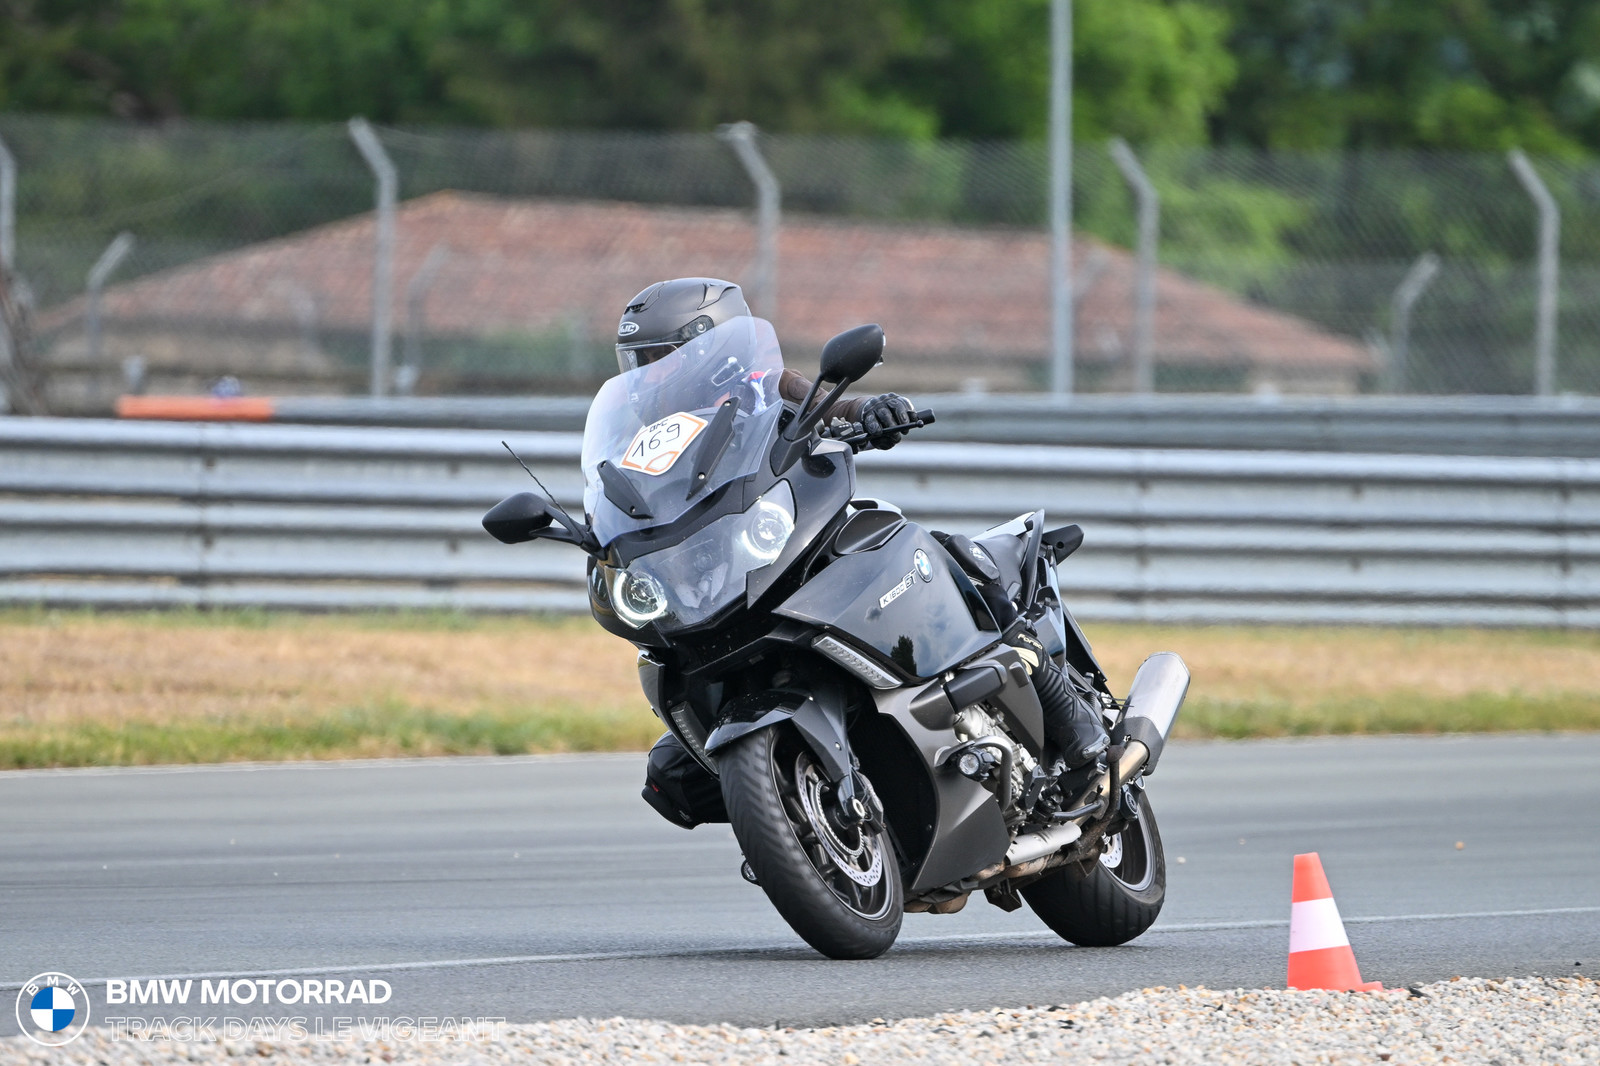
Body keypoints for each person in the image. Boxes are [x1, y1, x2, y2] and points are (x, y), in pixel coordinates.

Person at [622, 277, 1107, 828]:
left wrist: (870, 411)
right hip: (727, 578)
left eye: (661, 358)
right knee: (672, 772)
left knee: (943, 554)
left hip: (798, 532)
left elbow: (824, 403)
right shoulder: (647, 436)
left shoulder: (761, 384)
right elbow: (627, 499)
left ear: (706, 348)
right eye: (639, 362)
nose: (647, 375)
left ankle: (1073, 722)